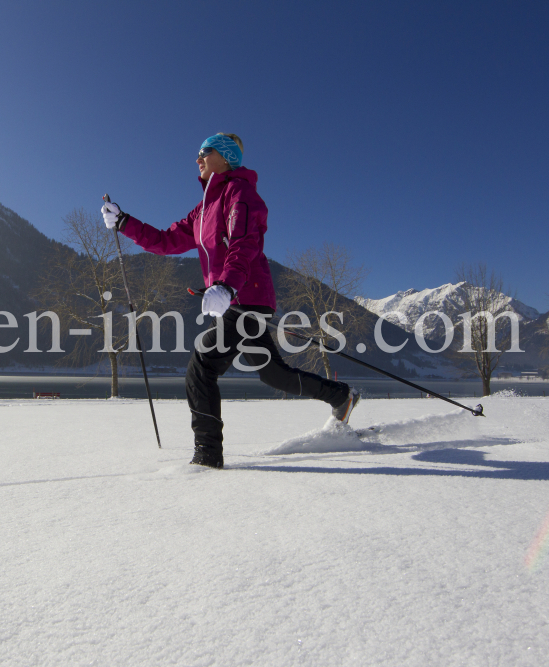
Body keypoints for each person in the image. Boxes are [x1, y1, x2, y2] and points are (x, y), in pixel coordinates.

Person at [102, 133, 358, 469]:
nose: (197, 160)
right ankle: (342, 397)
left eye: (204, 153)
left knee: (201, 367)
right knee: (273, 375)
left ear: (225, 157)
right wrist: (125, 223)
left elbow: (245, 244)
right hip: (234, 299)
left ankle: (207, 457)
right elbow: (165, 241)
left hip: (244, 297)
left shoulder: (241, 194)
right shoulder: (204, 209)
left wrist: (227, 286)